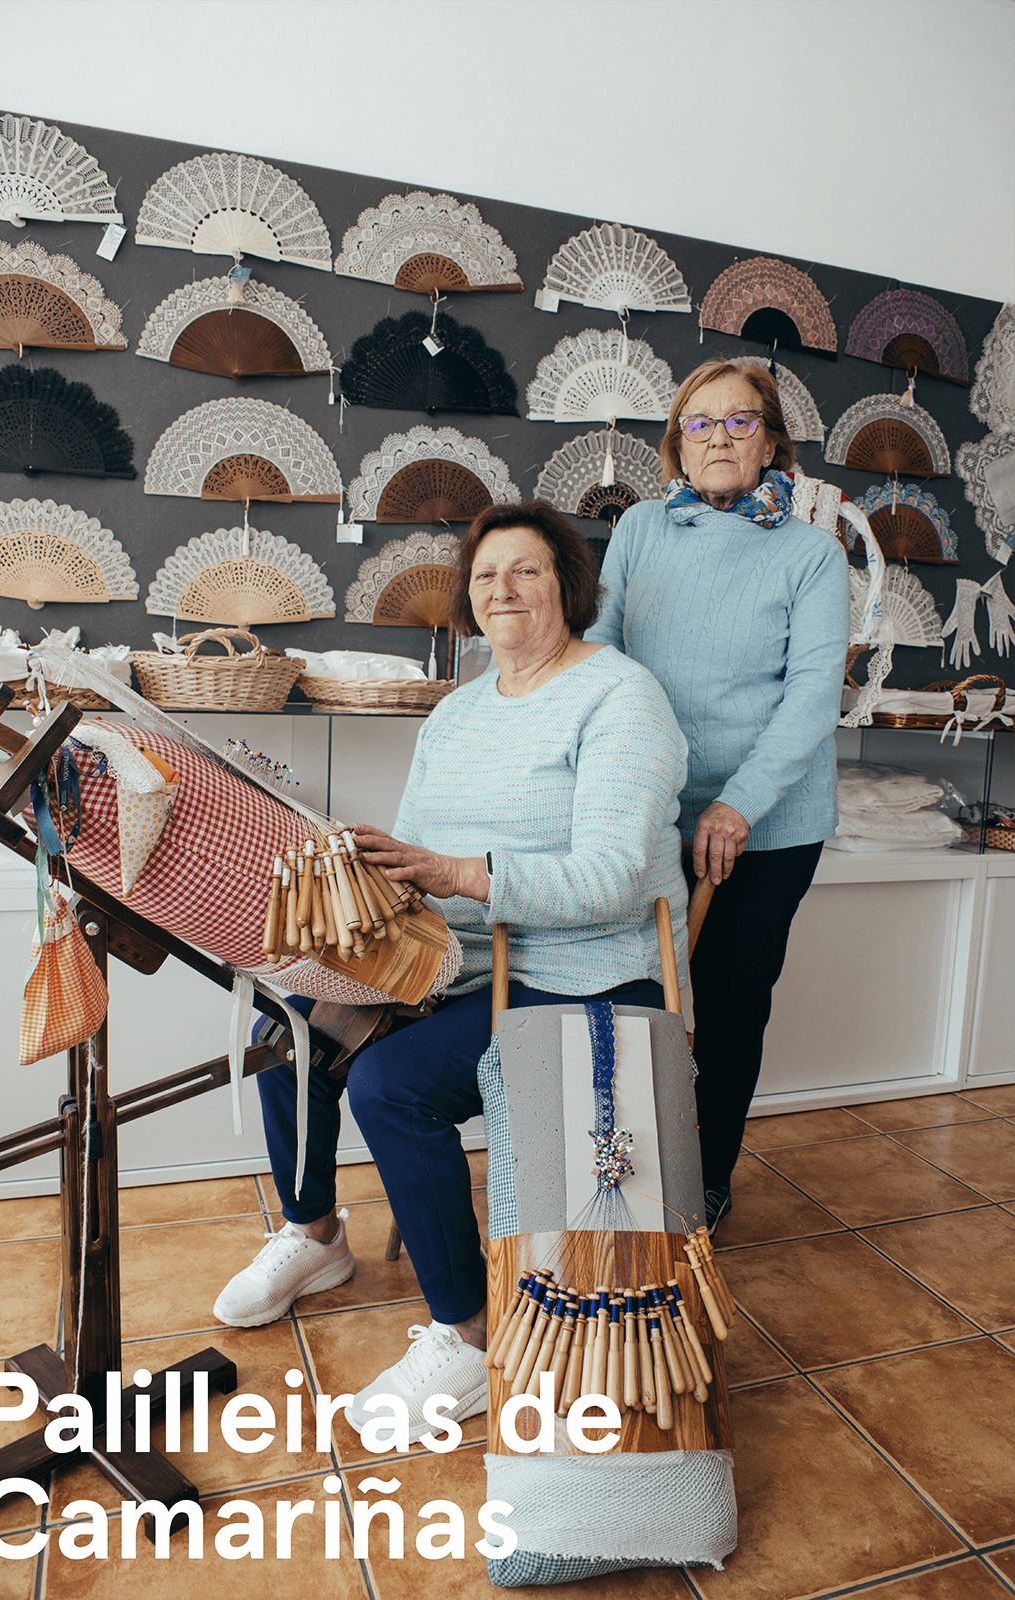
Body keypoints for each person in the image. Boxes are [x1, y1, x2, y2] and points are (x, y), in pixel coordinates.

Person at [214, 499, 689, 1438]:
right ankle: (314, 1236)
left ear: (568, 586)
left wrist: (456, 873)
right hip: (462, 959)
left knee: (393, 1084)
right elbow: (420, 859)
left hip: (584, 968)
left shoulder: (621, 695)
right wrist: (361, 889)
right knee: (292, 1026)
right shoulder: (460, 709)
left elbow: (613, 879)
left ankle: (466, 1335)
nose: (502, 588)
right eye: (484, 575)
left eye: (526, 570)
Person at [587, 358, 850, 1232]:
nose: (721, 438)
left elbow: (813, 694)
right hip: (649, 805)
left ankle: (702, 1180)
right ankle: (618, 1173)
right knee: (638, 1001)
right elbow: (603, 653)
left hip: (768, 820)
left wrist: (736, 805)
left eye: (742, 422)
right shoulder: (638, 531)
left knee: (728, 1007)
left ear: (772, 439)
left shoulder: (811, 552)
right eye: (701, 423)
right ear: (677, 442)